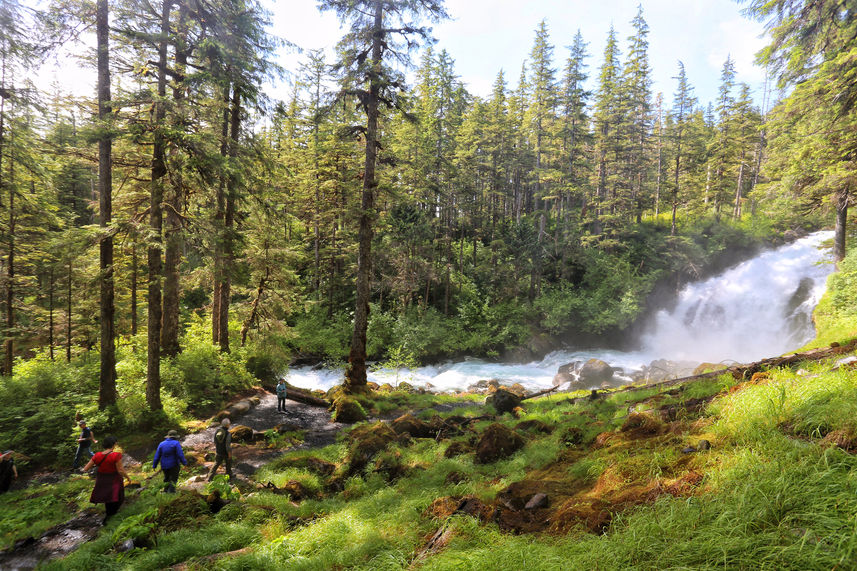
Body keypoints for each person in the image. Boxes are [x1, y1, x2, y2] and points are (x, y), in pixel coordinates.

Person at [82, 436, 130, 525]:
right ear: (114, 444)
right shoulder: (116, 455)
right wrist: (127, 477)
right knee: (118, 497)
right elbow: (120, 470)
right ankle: (111, 517)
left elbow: (86, 468)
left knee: (108, 498)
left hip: (102, 479)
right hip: (114, 479)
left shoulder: (97, 455)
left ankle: (109, 516)